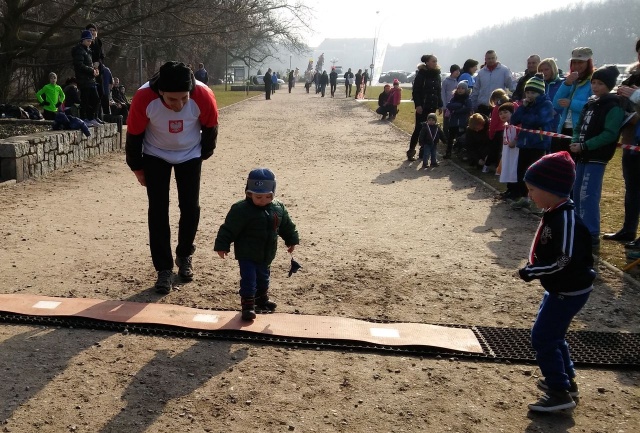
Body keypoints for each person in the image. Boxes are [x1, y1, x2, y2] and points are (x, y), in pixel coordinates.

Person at [125, 61, 219, 294]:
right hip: (156, 154)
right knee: (158, 210)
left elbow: (211, 128)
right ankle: (163, 268)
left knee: (190, 207)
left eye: (184, 99)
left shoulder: (204, 95)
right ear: (160, 93)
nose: (179, 105)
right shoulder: (144, 97)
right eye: (172, 100)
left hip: (190, 154)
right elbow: (134, 136)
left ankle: (184, 254)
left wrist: (201, 155)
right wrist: (138, 168)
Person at [518, 151, 596, 413]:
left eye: (532, 189)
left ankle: (558, 392)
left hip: (569, 288)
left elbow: (564, 259)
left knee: (543, 336)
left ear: (550, 189)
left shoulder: (566, 217)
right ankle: (566, 381)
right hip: (560, 287)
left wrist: (535, 270)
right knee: (555, 334)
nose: (529, 195)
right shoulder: (555, 211)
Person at [214, 168, 299, 321]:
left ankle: (262, 299)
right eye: (258, 196)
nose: (263, 200)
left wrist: (291, 239)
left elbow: (286, 225)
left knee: (264, 276)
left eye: (268, 196)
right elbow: (228, 228)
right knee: (249, 279)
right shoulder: (241, 209)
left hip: (267, 252)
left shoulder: (278, 208)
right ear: (249, 193)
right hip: (247, 253)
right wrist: (222, 245)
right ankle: (248, 306)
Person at [569, 65, 624, 246]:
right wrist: (576, 141)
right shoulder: (590, 103)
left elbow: (610, 133)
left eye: (600, 83)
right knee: (576, 192)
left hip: (596, 157)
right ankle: (577, 227)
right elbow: (579, 126)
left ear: (608, 85)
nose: (595, 86)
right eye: (593, 82)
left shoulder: (613, 106)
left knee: (588, 194)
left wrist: (586, 145)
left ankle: (591, 232)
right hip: (582, 155)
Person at [607, 38, 640, 246]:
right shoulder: (634, 74)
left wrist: (636, 95)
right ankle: (628, 230)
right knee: (632, 188)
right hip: (631, 138)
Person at [510, 74, 555, 210]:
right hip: (525, 142)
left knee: (537, 173)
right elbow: (514, 120)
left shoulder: (546, 104)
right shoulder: (526, 105)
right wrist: (522, 107)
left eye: (533, 93)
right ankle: (524, 197)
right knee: (522, 171)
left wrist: (526, 114)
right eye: (528, 92)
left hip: (538, 144)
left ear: (540, 93)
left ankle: (541, 203)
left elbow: (538, 121)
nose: (530, 95)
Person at [553, 47, 594, 153]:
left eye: (580, 62)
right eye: (574, 62)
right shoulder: (570, 81)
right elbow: (556, 104)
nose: (576, 66)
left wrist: (571, 104)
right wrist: (566, 84)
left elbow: (593, 106)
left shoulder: (593, 82)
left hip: (581, 130)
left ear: (588, 63)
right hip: (564, 128)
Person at [407, 54, 443, 161]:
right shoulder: (421, 74)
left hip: (432, 106)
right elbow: (416, 91)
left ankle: (423, 152)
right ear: (427, 62)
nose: (435, 63)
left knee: (430, 129)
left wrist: (440, 104)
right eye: (433, 61)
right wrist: (418, 104)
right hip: (422, 106)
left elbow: (438, 91)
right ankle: (411, 151)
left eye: (436, 61)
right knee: (419, 128)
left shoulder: (437, 75)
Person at [71, 29, 101, 127]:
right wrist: (91, 70)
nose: (90, 42)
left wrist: (94, 70)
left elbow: (88, 64)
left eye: (91, 41)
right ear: (83, 40)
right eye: (88, 40)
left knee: (95, 99)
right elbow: (79, 65)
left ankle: (91, 117)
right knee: (86, 100)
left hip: (90, 79)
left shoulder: (88, 51)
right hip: (83, 80)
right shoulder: (79, 50)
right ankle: (84, 118)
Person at [470, 50, 512, 117]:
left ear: (496, 58)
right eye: (489, 58)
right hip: (483, 106)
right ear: (485, 59)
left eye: (493, 58)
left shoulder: (504, 70)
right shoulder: (481, 73)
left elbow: (511, 86)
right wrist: (473, 106)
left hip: (499, 106)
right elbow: (476, 90)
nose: (491, 60)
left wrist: (510, 101)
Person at [539, 58, 565, 153]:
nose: (543, 72)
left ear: (553, 69)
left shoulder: (562, 84)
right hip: (541, 125)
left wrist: (555, 111)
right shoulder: (539, 85)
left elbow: (562, 103)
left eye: (546, 69)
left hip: (557, 124)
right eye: (541, 70)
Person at [484, 89, 511, 172]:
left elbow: (493, 123)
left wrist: (491, 134)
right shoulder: (510, 105)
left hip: (499, 132)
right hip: (508, 131)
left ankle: (487, 167)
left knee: (494, 150)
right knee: (503, 152)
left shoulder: (497, 108)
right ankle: (500, 169)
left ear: (495, 98)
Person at [496, 102, 519, 200]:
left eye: (505, 112)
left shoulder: (517, 125)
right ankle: (509, 189)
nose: (502, 115)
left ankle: (515, 191)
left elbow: (519, 135)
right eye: (500, 113)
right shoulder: (506, 126)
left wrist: (514, 141)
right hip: (507, 153)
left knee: (513, 170)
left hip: (515, 153)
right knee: (507, 168)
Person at [444, 80, 472, 159]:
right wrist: (460, 105)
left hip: (462, 122)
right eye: (459, 88)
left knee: (461, 138)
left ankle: (460, 152)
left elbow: (468, 108)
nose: (460, 90)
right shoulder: (454, 97)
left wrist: (456, 110)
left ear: (466, 90)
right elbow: (449, 105)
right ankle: (448, 152)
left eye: (462, 88)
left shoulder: (467, 98)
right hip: (453, 122)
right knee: (450, 138)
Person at [442, 64, 461, 142]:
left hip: (455, 105)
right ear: (452, 71)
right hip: (447, 105)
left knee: (453, 121)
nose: (457, 73)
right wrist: (444, 105)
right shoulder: (446, 81)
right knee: (446, 121)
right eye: (456, 71)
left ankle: (452, 136)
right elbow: (442, 93)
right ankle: (445, 137)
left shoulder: (458, 81)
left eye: (459, 71)